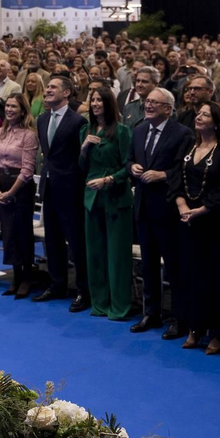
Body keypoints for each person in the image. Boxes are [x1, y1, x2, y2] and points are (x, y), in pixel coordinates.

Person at [168, 100, 220, 353]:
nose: (199, 117)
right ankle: (195, 327)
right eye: (198, 113)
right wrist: (181, 206)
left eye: (205, 115)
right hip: (188, 222)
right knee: (192, 276)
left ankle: (219, 332)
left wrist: (201, 210)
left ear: (218, 121)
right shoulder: (190, 146)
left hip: (217, 223)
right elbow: (175, 177)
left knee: (218, 279)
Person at [128, 87, 193, 334]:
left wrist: (163, 174)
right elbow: (128, 159)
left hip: (168, 209)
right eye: (147, 101)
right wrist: (132, 166)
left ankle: (180, 317)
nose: (149, 105)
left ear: (168, 108)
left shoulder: (183, 134)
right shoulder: (139, 130)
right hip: (144, 208)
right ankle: (151, 313)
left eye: (155, 102)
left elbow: (185, 170)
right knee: (148, 265)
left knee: (174, 267)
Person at [79, 85, 135, 320]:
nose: (95, 104)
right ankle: (100, 303)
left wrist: (108, 180)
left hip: (116, 198)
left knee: (117, 256)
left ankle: (119, 306)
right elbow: (82, 167)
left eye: (100, 101)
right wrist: (84, 148)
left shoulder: (121, 131)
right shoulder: (85, 130)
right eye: (92, 100)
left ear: (108, 104)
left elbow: (128, 166)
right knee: (95, 254)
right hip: (92, 199)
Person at [35, 75, 90, 310]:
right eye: (47, 86)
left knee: (76, 242)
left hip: (70, 189)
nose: (47, 90)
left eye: (53, 87)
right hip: (48, 186)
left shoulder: (78, 121)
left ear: (66, 93)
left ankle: (83, 291)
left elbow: (81, 158)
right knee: (53, 239)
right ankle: (56, 284)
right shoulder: (42, 119)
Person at [0, 93, 39, 297]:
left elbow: (28, 169)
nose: (10, 109)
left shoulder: (29, 134)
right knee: (8, 233)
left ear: (23, 110)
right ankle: (16, 275)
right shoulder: (0, 132)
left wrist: (11, 192)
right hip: (1, 183)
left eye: (14, 106)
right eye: (8, 106)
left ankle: (27, 277)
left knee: (22, 232)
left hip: (20, 187)